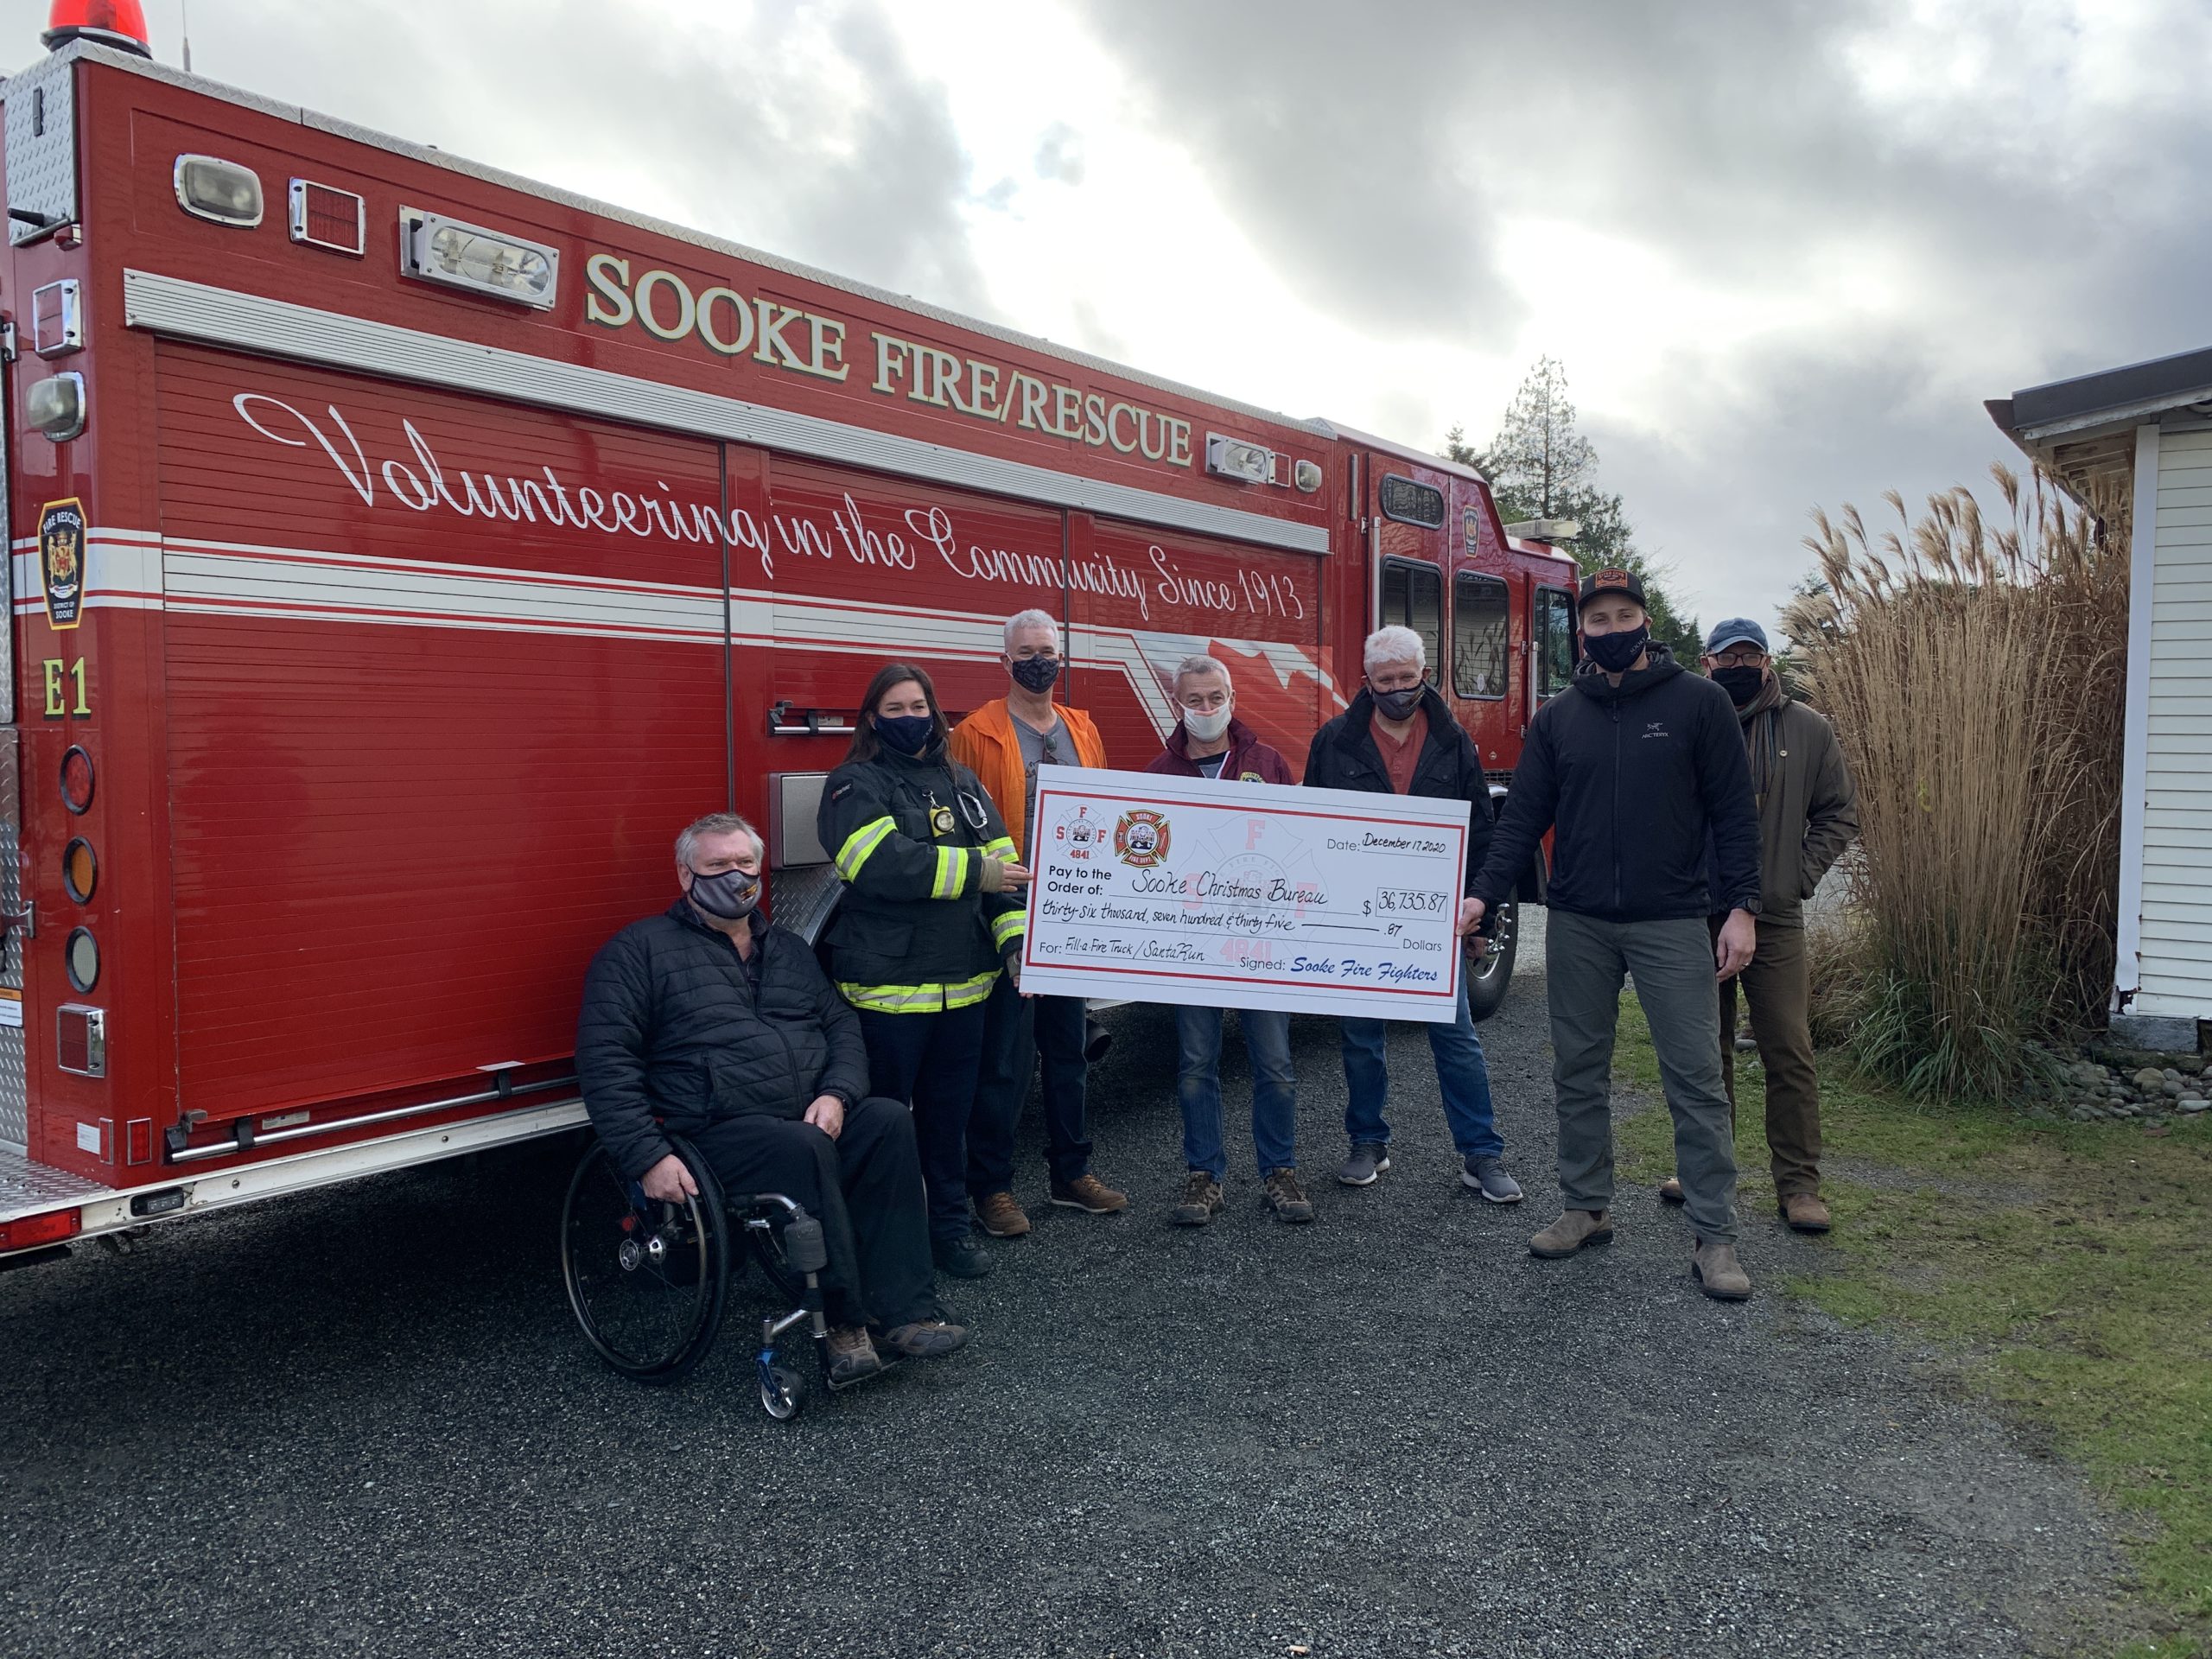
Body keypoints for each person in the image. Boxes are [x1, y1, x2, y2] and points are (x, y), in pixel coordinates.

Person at [576, 813, 968, 1384]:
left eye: (744, 865)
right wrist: (646, 1157)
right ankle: (842, 1326)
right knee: (802, 1146)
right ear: (685, 876)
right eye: (717, 865)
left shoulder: (787, 948)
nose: (735, 877)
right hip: (715, 1128)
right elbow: (605, 1060)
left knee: (886, 1119)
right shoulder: (638, 952)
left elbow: (842, 1029)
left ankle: (905, 1311)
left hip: (808, 1116)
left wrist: (837, 1094)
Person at [1459, 569, 1764, 1300]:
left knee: (1694, 1078)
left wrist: (1742, 909)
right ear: (1581, 634)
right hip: (1580, 921)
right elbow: (1521, 820)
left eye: (1624, 615)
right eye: (1597, 620)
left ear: (1645, 623)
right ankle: (1585, 1206)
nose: (1611, 628)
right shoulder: (1560, 719)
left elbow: (1734, 816)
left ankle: (1714, 1236)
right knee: (1578, 1070)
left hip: (1671, 919)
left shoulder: (1700, 703)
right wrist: (1481, 895)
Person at [817, 664, 1028, 1281]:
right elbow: (879, 863)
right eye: (895, 707)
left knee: (946, 1123)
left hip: (965, 989)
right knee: (881, 1129)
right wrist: (975, 871)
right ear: (872, 718)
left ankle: (949, 1234)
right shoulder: (854, 784)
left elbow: (1006, 870)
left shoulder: (963, 782)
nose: (909, 718)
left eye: (918, 706)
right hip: (885, 997)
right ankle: (877, 1243)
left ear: (935, 715)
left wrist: (1016, 945)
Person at [1303, 625, 1522, 1204]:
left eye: (1407, 677)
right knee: (1360, 1037)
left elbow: (1481, 830)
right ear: (1366, 682)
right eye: (1386, 680)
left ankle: (1482, 1154)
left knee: (1456, 1037)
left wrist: (1483, 915)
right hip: (1355, 918)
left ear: (1424, 675)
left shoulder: (1455, 742)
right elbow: (1310, 830)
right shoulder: (1333, 742)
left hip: (1433, 920)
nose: (1398, 689)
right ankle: (1367, 1142)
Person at [1653, 620, 1859, 1233]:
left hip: (1773, 918)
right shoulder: (1685, 718)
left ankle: (1799, 1184)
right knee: (1702, 1053)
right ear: (1706, 662)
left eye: (1751, 654)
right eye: (1727, 656)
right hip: (1696, 914)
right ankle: (1705, 1171)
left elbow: (1839, 813)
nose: (1739, 664)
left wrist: (1796, 875)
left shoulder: (1808, 729)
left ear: (1767, 661)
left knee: (1788, 1049)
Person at [949, 608, 1128, 1238]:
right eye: (1025, 652)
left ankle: (1070, 1174)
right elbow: (964, 829)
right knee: (1005, 1056)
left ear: (1062, 657)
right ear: (1005, 662)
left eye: (1047, 650)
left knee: (1068, 1049)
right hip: (1005, 917)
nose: (1037, 661)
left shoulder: (1083, 727)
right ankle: (992, 1188)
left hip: (1072, 911)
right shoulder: (975, 732)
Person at [1144, 655, 1313, 1226]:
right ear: (1178, 705)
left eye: (1216, 697)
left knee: (1276, 1063)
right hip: (1192, 946)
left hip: (1262, 945)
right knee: (1196, 1063)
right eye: (1195, 700)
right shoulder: (1159, 774)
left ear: (1233, 698)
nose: (1207, 709)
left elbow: (1302, 845)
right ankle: (1204, 1176)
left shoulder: (1267, 763)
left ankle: (1280, 1172)